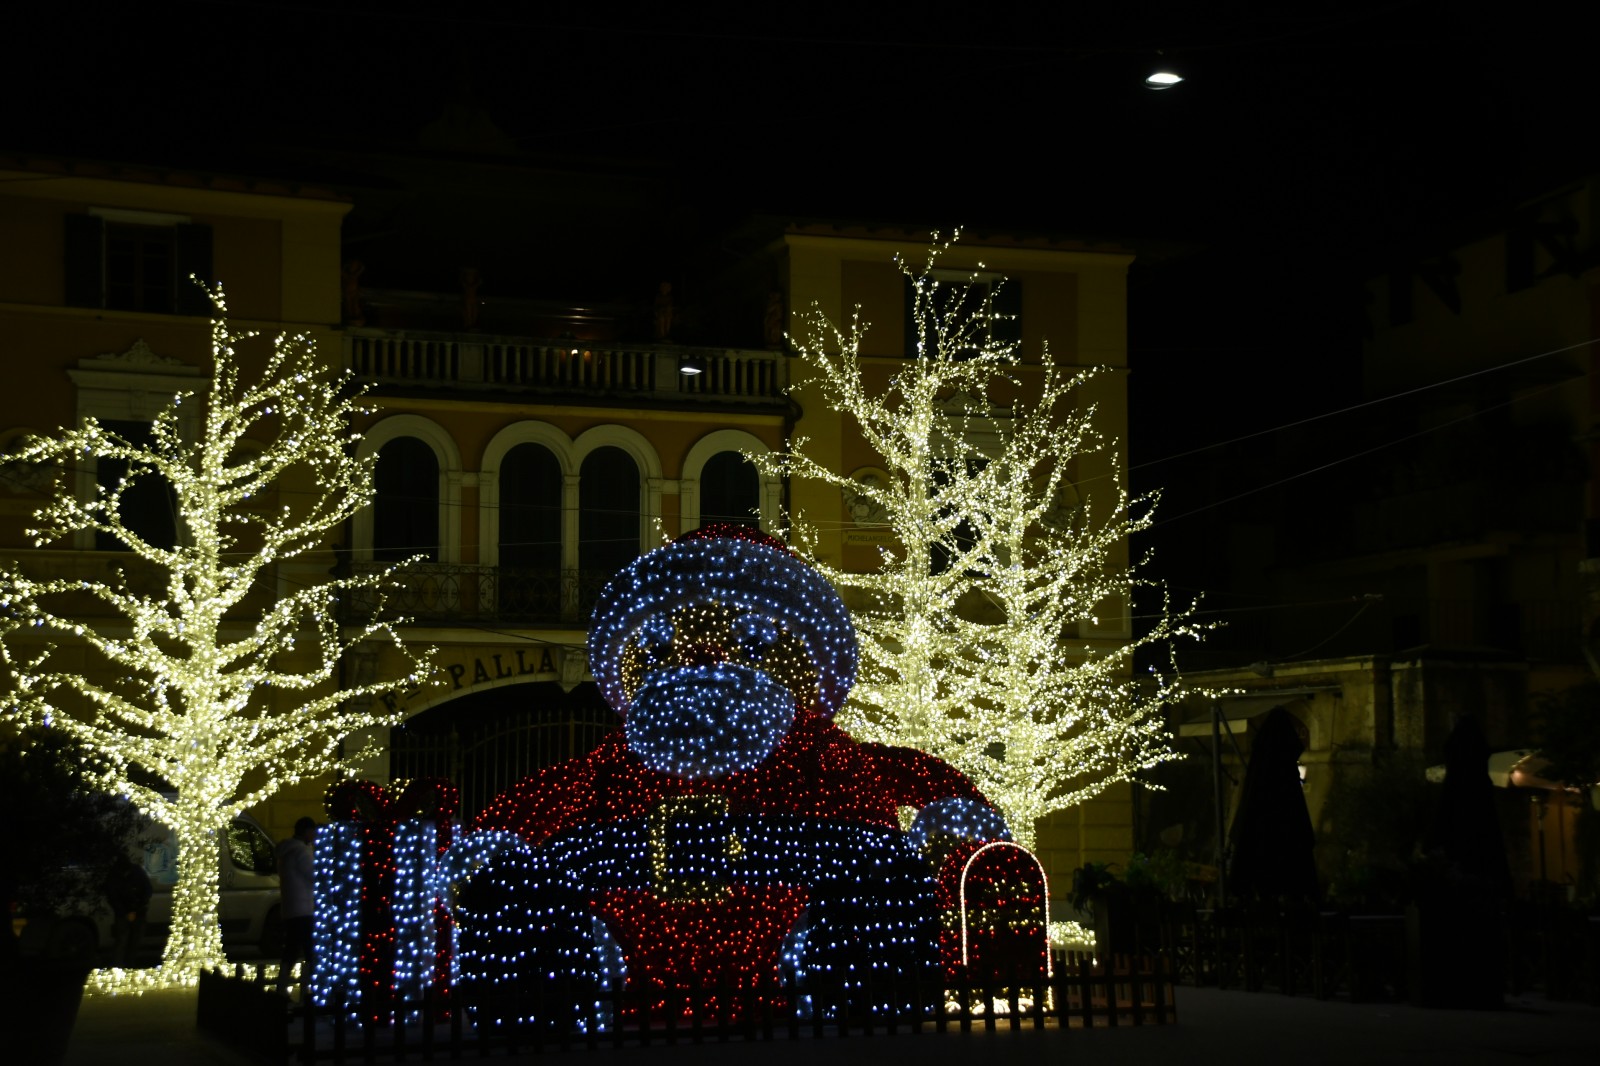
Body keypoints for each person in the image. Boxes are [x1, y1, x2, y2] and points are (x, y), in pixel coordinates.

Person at [275, 816, 317, 996]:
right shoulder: (301, 852)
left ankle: (282, 987)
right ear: (306, 831)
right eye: (312, 831)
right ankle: (308, 990)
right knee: (309, 950)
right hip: (304, 908)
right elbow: (314, 876)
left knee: (291, 949)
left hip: (291, 907)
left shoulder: (286, 851)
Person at [103, 853, 151, 968]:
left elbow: (147, 890)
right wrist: (125, 912)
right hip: (123, 913)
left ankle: (130, 965)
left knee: (135, 941)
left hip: (138, 912)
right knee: (121, 941)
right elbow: (113, 897)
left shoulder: (137, 872)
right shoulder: (113, 876)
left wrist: (137, 907)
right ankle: (117, 967)